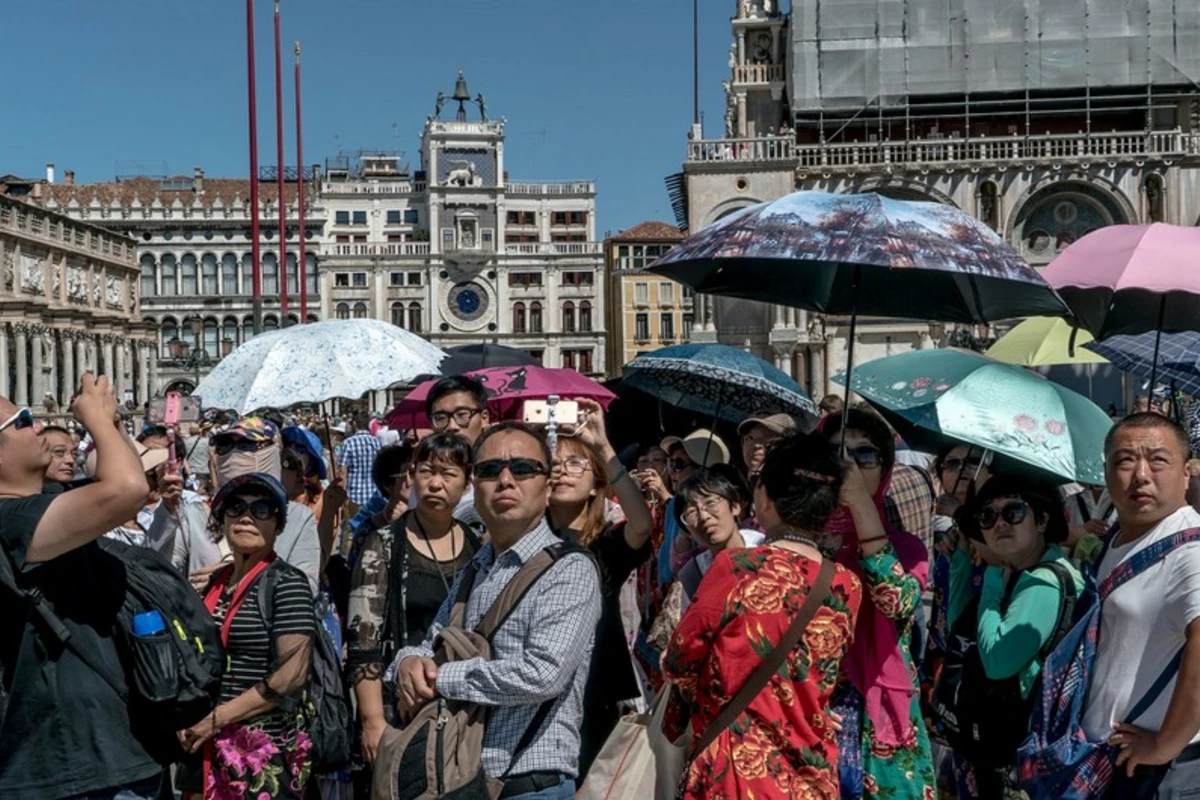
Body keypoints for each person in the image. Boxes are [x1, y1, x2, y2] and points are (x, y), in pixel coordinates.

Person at [388, 422, 601, 798]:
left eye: (522, 468)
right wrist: (408, 662)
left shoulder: (570, 568)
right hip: (464, 778)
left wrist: (441, 679)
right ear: (474, 486)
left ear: (548, 486)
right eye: (489, 470)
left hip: (528, 781)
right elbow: (434, 642)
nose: (505, 480)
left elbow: (544, 673)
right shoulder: (477, 567)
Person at [662, 431, 862, 799]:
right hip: (811, 772)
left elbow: (679, 660)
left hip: (736, 772)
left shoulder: (737, 567)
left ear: (765, 500)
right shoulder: (846, 584)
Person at [0, 375, 158, 799]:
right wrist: (95, 422)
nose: (37, 427)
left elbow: (127, 479)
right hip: (72, 765)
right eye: (23, 420)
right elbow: (127, 490)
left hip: (111, 751)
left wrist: (113, 422)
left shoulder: (46, 501)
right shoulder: (9, 521)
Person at [1081, 414, 1200, 796]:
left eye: (1158, 460)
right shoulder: (1118, 540)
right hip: (1108, 760)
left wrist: (1165, 744)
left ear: (1187, 472)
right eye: (1126, 460)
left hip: (1160, 773)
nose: (1141, 475)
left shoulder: (1190, 551)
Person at [820, 409, 935, 800]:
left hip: (880, 724)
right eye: (836, 451)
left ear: (884, 469)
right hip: (811, 718)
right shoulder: (797, 543)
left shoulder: (906, 549)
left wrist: (856, 502)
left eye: (864, 455)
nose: (849, 463)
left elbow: (894, 600)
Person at [178, 473, 315, 799]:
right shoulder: (215, 582)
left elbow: (290, 677)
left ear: (278, 525)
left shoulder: (287, 583)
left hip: (260, 752)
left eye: (262, 509)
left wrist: (217, 719)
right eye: (235, 507)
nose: (246, 517)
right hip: (206, 746)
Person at [348, 433, 479, 770]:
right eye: (426, 472)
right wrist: (373, 720)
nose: (436, 483)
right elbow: (364, 640)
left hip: (461, 707)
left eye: (448, 474)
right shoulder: (385, 544)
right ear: (412, 477)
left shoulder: (477, 545)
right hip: (399, 708)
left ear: (466, 484)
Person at [947, 476, 1085, 798]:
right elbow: (961, 632)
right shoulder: (1021, 572)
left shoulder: (1042, 582)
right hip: (1002, 745)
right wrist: (962, 561)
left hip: (1018, 754)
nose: (999, 524)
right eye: (987, 516)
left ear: (1042, 520)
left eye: (1013, 512)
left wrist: (992, 585)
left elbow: (996, 660)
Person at [545, 398, 654, 777]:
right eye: (553, 464)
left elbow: (642, 524)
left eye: (575, 464)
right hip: (542, 689)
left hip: (597, 689)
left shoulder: (604, 545)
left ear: (596, 485)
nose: (563, 472)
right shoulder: (528, 542)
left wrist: (603, 447)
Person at [660, 428, 730, 583]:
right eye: (670, 463)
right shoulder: (672, 506)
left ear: (702, 469)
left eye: (678, 464)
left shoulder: (720, 512)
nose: (671, 471)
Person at [738, 411, 799, 482]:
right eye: (749, 438)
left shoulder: (799, 488)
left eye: (767, 438)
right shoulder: (731, 485)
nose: (756, 445)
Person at [341, 412, 383, 509]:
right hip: (373, 494)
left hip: (354, 495)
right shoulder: (377, 442)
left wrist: (342, 494)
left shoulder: (348, 443)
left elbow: (343, 472)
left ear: (355, 424)